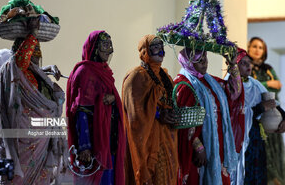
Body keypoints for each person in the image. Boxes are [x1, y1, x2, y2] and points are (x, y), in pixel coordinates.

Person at [0, 20, 66, 184]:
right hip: (21, 143)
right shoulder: (11, 70)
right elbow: (19, 64)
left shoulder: (37, 75)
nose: (35, 58)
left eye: (37, 54)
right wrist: (33, 32)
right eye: (32, 52)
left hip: (42, 144)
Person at [175, 48, 242, 185]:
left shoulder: (211, 81)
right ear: (188, 63)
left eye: (205, 58)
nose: (205, 63)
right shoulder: (184, 85)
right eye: (199, 60)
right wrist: (198, 146)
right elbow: (183, 122)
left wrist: (233, 65)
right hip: (200, 150)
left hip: (218, 146)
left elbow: (233, 93)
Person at [66, 30, 125, 185]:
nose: (109, 50)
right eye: (104, 45)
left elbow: (113, 99)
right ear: (94, 47)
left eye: (110, 45)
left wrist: (113, 99)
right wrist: (84, 146)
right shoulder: (84, 72)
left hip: (109, 139)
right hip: (93, 143)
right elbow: (81, 110)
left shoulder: (104, 71)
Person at [122, 35, 178, 185]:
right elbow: (135, 115)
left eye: (161, 47)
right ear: (144, 51)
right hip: (147, 143)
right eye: (155, 47)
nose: (161, 51)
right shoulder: (136, 77)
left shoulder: (166, 76)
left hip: (167, 140)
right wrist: (159, 114)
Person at [247, 37, 285, 185]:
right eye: (254, 46)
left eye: (260, 47)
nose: (257, 50)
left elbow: (277, 85)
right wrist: (267, 84)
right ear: (248, 49)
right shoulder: (247, 68)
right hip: (256, 121)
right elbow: (255, 87)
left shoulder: (268, 68)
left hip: (273, 115)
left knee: (276, 153)